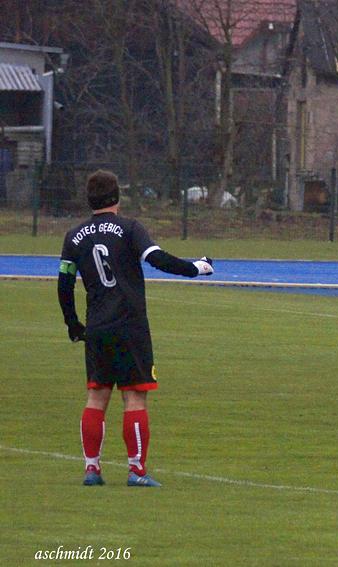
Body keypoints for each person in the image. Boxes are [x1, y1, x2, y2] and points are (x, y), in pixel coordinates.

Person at [58, 170, 214, 487]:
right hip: (130, 325)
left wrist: (73, 323)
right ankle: (136, 471)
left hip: (98, 327)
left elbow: (63, 283)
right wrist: (194, 268)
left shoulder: (74, 236)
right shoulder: (129, 228)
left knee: (96, 397)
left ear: (90, 199)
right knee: (135, 398)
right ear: (117, 197)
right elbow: (156, 258)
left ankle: (92, 469)